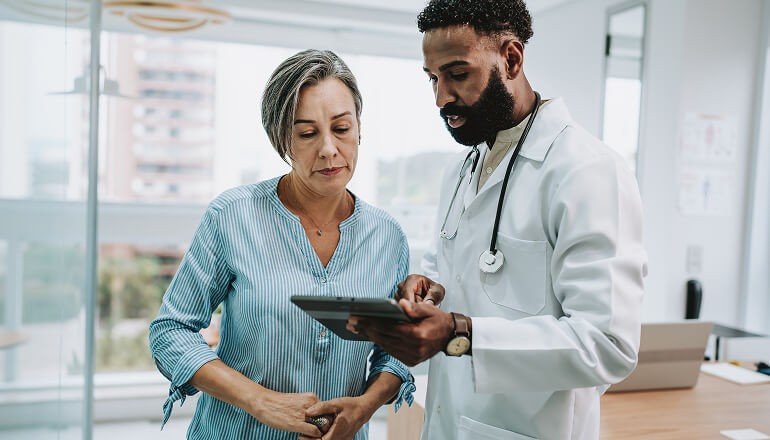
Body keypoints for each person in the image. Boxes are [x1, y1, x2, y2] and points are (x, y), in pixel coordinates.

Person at [347, 1, 648, 439]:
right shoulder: (463, 168)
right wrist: (427, 289)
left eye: (457, 74)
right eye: (433, 78)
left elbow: (609, 345)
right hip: (449, 423)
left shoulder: (588, 171)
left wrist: (460, 333)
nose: (441, 97)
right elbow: (457, 273)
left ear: (511, 58)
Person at [149, 49, 414, 440]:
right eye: (307, 133)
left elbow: (395, 349)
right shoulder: (233, 216)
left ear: (359, 128)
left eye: (341, 128)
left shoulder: (388, 237)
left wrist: (365, 405)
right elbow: (170, 331)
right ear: (281, 140)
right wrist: (260, 400)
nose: (328, 148)